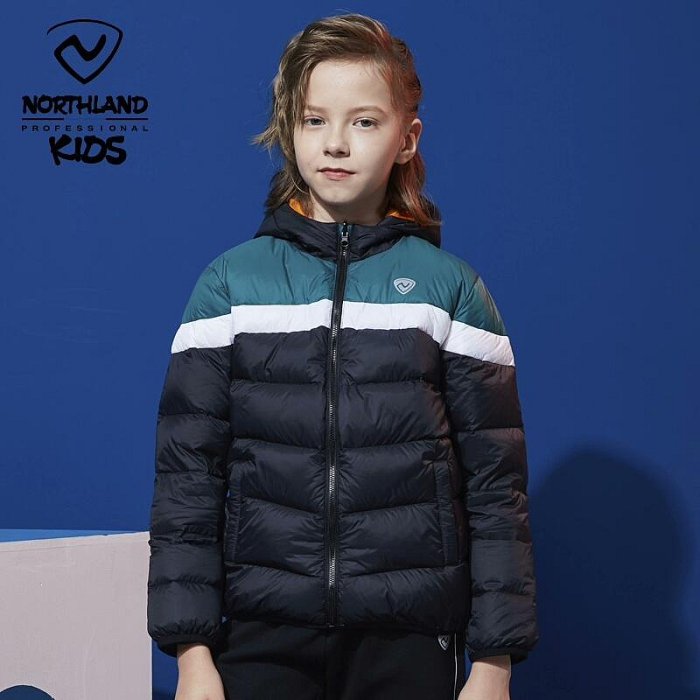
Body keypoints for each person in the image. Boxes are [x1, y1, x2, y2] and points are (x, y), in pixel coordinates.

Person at [146, 12, 539, 700]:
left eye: (363, 121)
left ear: (406, 138)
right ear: (289, 131)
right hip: (262, 637)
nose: (334, 142)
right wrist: (192, 654)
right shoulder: (230, 287)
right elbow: (188, 482)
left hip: (410, 639)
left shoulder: (450, 291)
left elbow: (495, 490)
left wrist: (494, 663)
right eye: (313, 120)